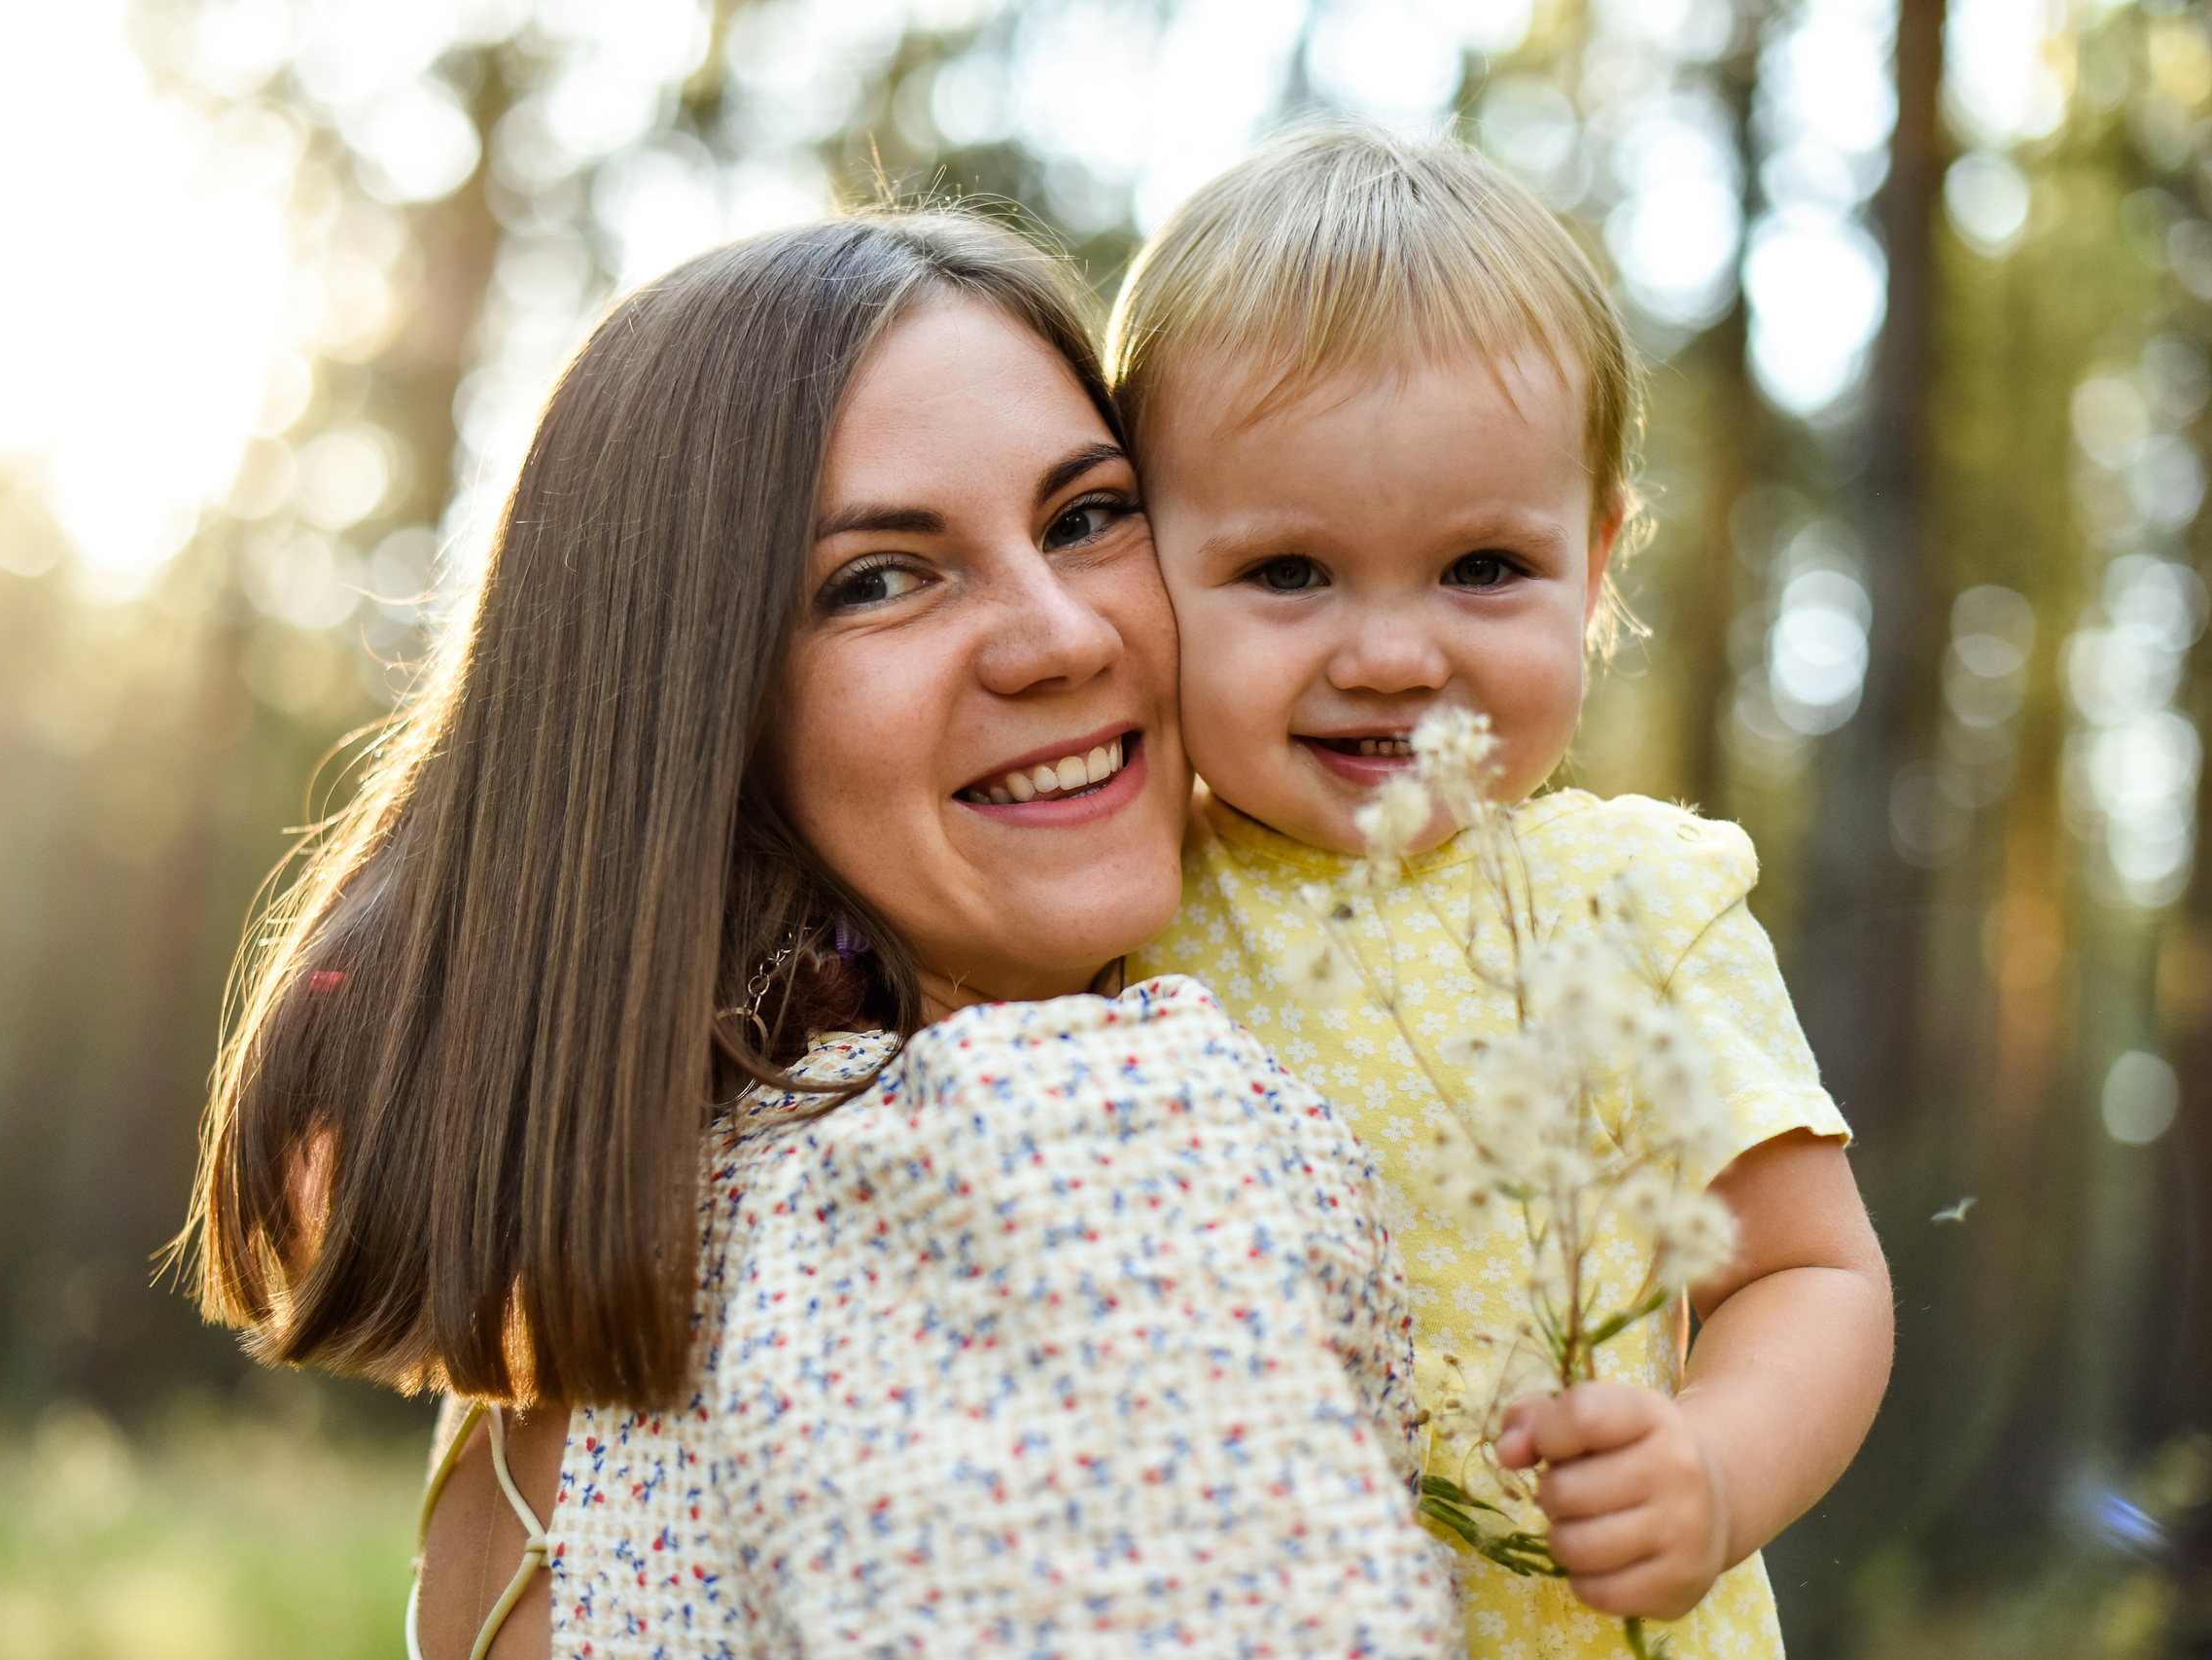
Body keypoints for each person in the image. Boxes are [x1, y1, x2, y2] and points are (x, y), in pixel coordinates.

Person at [184, 210, 1457, 1660]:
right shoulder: (1058, 1149)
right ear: (692, 717)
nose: (1063, 634)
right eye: (879, 579)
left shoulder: (600, 1284)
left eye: (1086, 517)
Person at [1115, 125, 1895, 1660]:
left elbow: (1809, 1268)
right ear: (1143, 567)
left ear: (1596, 566)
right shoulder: (1122, 897)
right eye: (1288, 571)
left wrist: (1716, 1468)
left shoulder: (1629, 904)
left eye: (1482, 567)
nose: (1393, 654)